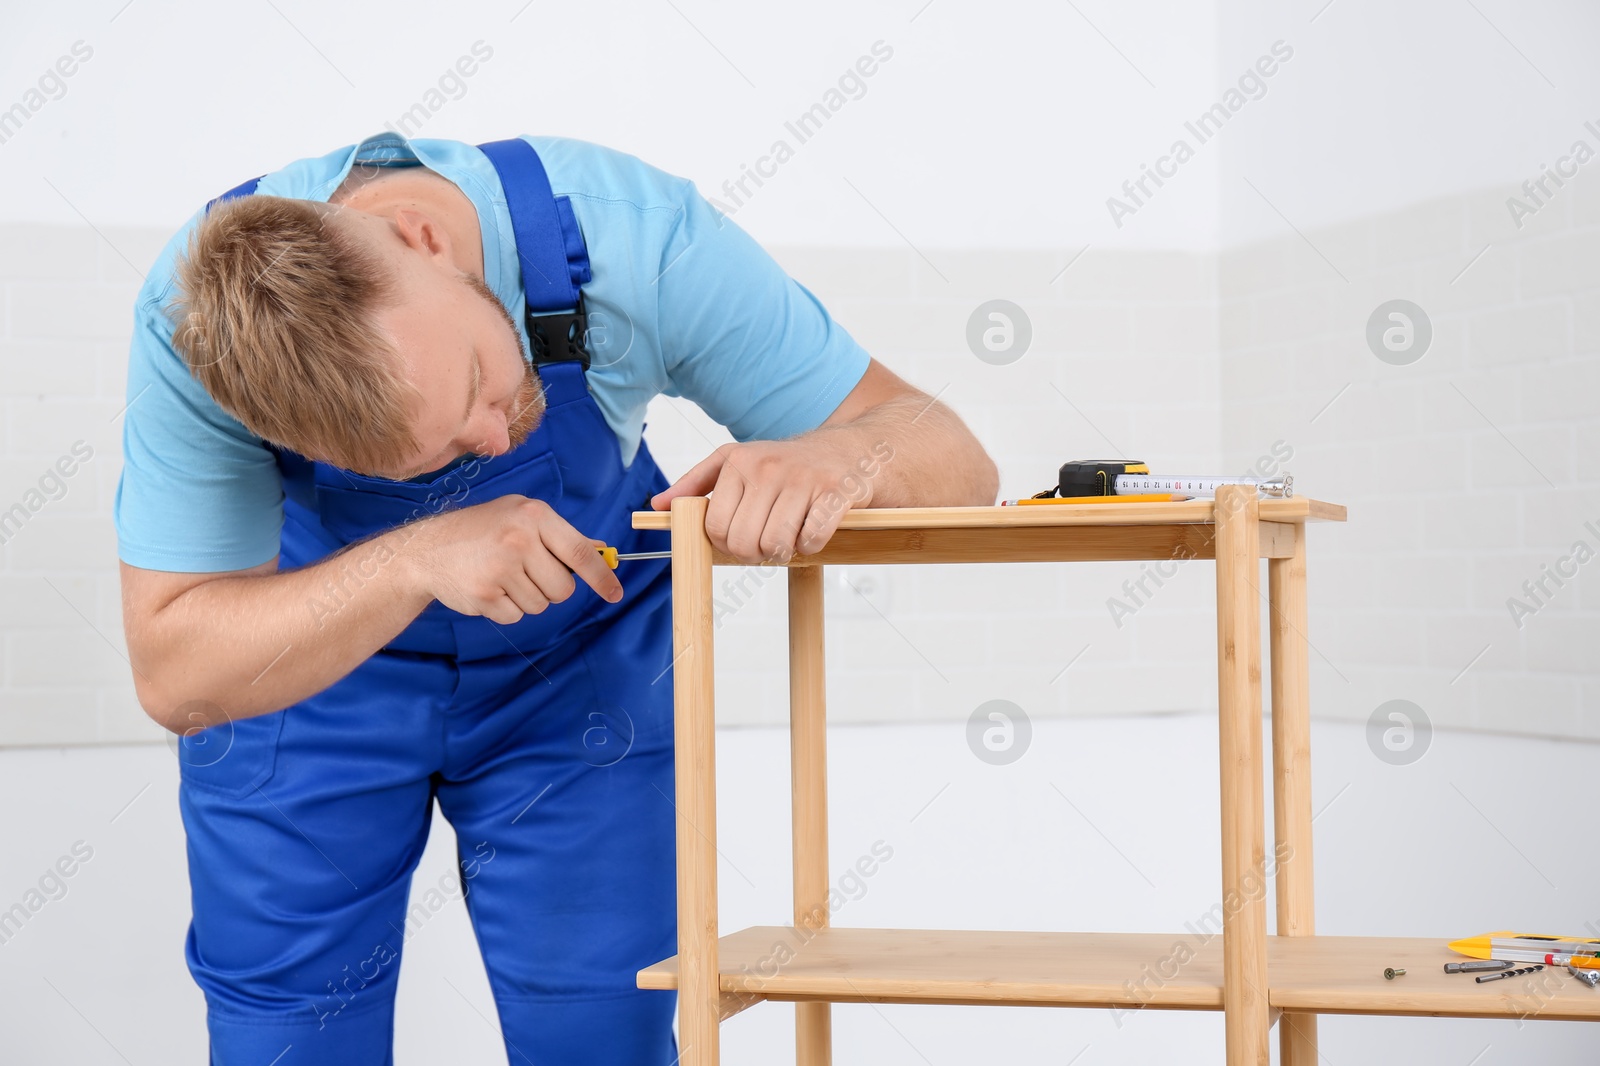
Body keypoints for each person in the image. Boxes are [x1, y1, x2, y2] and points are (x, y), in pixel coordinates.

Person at [114, 131, 997, 1065]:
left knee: (602, 1026)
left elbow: (957, 458)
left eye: (476, 387)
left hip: (574, 676)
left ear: (423, 237)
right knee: (286, 1033)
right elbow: (177, 673)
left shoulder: (638, 241)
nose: (494, 445)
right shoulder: (201, 328)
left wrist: (838, 457)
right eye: (436, 456)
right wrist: (412, 559)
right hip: (309, 681)